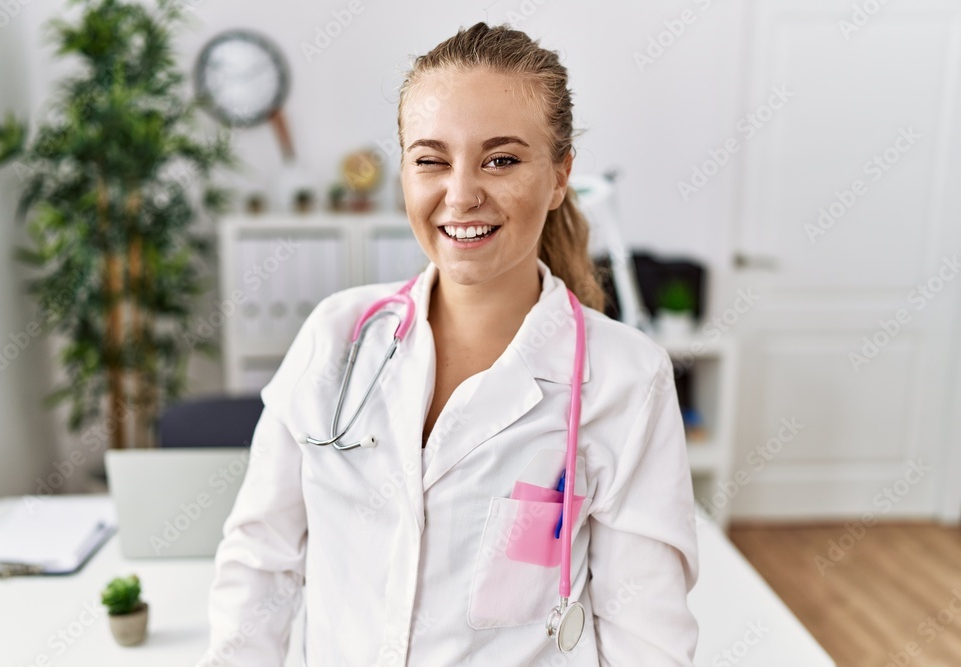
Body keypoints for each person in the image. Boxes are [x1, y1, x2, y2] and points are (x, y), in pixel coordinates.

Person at [199, 22, 698, 667]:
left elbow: (647, 638)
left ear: (558, 176)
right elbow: (260, 562)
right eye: (431, 160)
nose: (461, 194)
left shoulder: (626, 378)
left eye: (502, 159)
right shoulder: (336, 336)